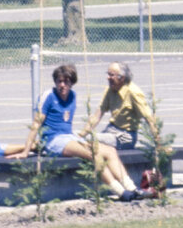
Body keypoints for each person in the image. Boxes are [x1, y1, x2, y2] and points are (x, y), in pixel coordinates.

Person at [26, 62, 142, 200]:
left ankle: (131, 187)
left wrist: (80, 136)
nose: (62, 85)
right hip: (53, 141)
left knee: (110, 151)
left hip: (69, 138)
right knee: (94, 153)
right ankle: (120, 191)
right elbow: (36, 124)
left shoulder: (72, 96)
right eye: (59, 81)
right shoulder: (49, 96)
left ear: (72, 83)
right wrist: (25, 150)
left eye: (66, 82)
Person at [95, 62, 164, 192]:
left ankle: (125, 186)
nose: (108, 78)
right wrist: (82, 134)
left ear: (121, 77)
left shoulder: (133, 92)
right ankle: (116, 184)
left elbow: (149, 118)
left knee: (94, 139)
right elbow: (97, 115)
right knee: (85, 140)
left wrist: (157, 143)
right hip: (111, 131)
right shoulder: (109, 90)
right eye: (107, 74)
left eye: (111, 75)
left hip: (125, 136)